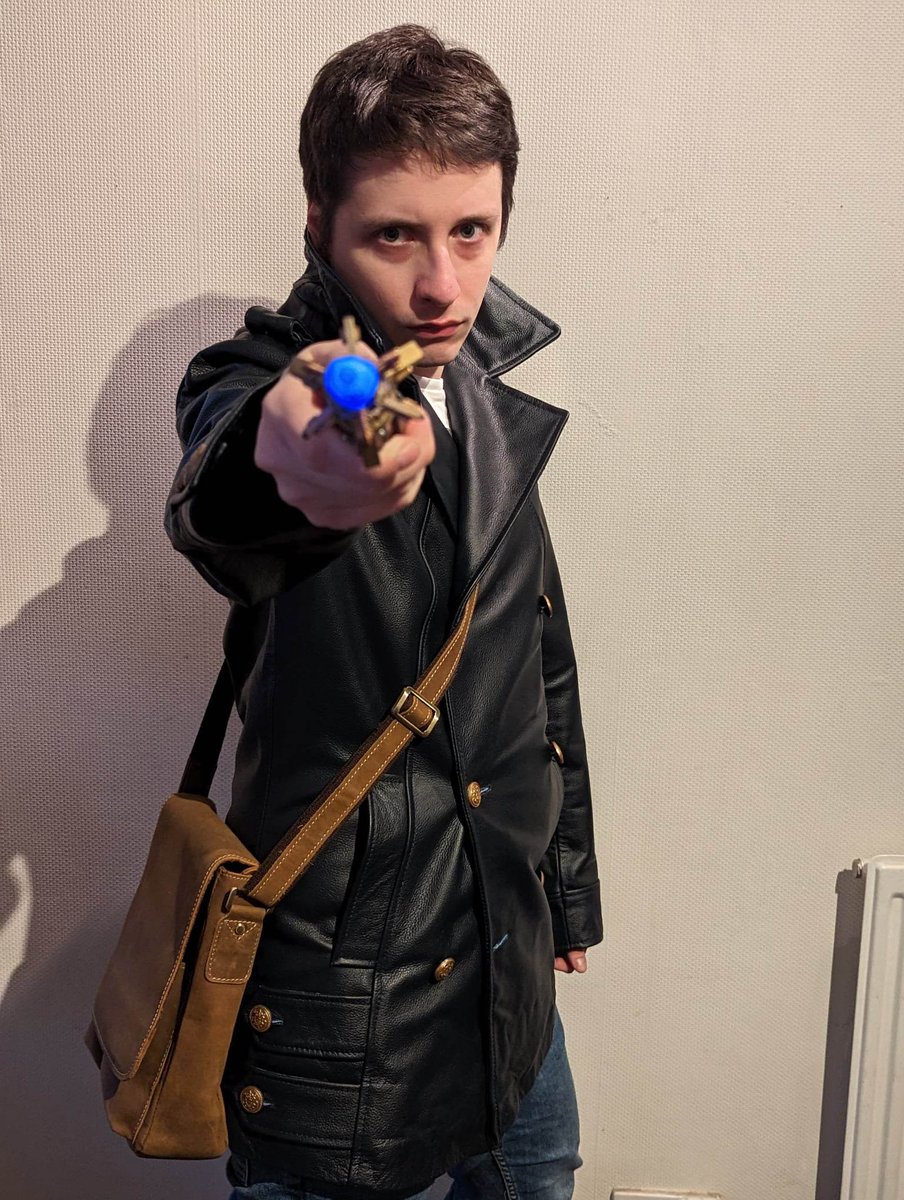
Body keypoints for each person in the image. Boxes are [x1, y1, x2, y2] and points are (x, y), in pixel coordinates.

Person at [165, 24, 603, 1200]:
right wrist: (299, 458)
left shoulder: (487, 389)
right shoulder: (268, 379)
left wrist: (564, 881)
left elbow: (536, 653)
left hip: (505, 956)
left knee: (540, 1174)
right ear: (321, 225)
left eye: (472, 230)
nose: (443, 284)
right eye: (395, 235)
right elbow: (231, 480)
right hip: (340, 983)